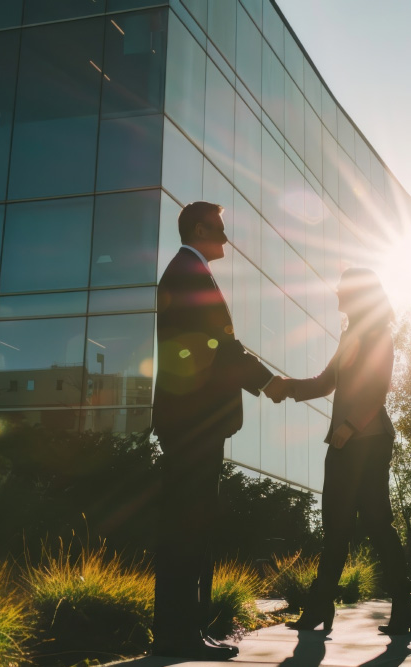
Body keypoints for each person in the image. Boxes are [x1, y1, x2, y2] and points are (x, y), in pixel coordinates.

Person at [151, 201, 286, 660]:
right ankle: (179, 635)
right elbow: (219, 346)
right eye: (221, 230)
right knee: (187, 528)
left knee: (189, 527)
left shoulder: (189, 270)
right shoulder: (188, 272)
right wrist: (268, 382)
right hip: (192, 423)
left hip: (190, 423)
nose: (227, 239)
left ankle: (183, 632)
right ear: (200, 228)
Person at [269, 267, 411, 637]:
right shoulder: (351, 334)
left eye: (342, 290)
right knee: (335, 526)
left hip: (367, 441)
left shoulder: (379, 334)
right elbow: (325, 382)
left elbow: (379, 388)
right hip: (344, 442)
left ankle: (403, 605)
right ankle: (321, 606)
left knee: (376, 523)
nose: (336, 294)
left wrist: (350, 427)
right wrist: (286, 386)